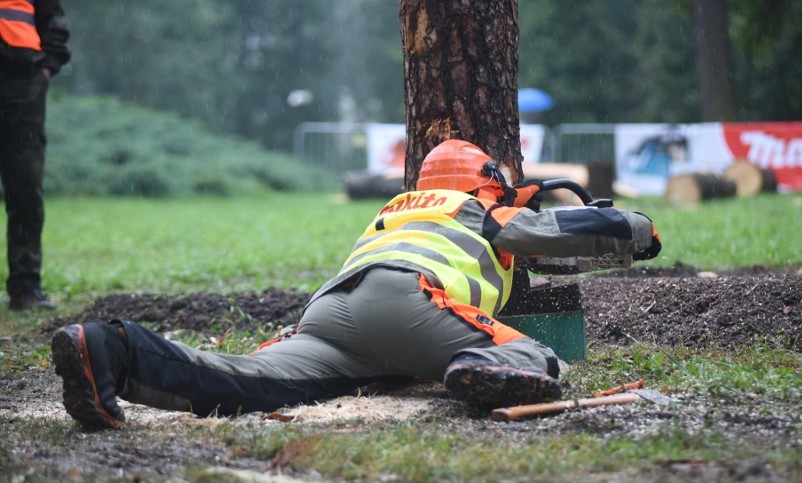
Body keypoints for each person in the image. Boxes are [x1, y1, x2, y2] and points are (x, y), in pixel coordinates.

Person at [51, 139, 661, 430]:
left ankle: (113, 350)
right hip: (416, 305)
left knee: (245, 380)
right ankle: (479, 368)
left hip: (331, 315)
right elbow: (565, 230)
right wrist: (637, 231)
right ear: (490, 183)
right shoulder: (479, 207)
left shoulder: (395, 208)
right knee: (529, 353)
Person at [0, 0, 70, 310]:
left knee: (26, 188)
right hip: (23, 82)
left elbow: (53, 20)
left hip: (22, 85)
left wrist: (45, 69)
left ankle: (25, 288)